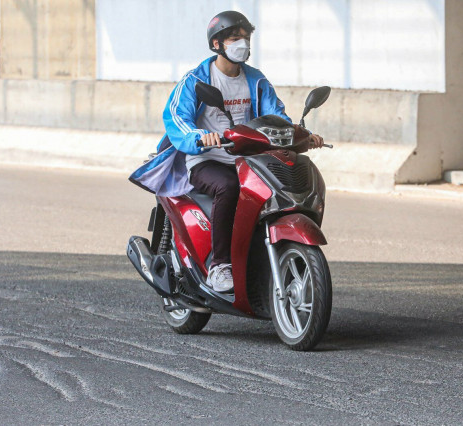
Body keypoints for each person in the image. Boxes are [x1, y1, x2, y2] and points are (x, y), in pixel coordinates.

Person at [129, 11, 324, 293]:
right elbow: (176, 117)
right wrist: (200, 137)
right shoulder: (197, 80)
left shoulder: (256, 80)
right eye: (235, 38)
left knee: (277, 187)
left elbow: (275, 117)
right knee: (229, 186)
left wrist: (302, 135)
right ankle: (219, 265)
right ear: (217, 44)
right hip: (205, 159)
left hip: (247, 158)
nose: (242, 44)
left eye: (245, 38)